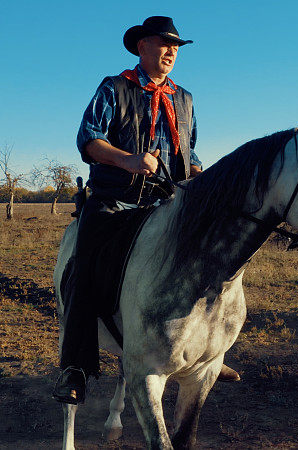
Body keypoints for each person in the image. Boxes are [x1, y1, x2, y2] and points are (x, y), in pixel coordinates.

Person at [53, 16, 239, 405]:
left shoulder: (184, 99)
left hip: (167, 203)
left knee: (219, 259)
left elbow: (190, 153)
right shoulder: (114, 88)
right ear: (141, 46)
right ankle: (75, 366)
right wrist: (129, 160)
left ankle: (209, 352)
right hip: (115, 200)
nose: (171, 51)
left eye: (176, 46)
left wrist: (206, 179)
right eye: (162, 43)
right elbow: (89, 140)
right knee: (83, 269)